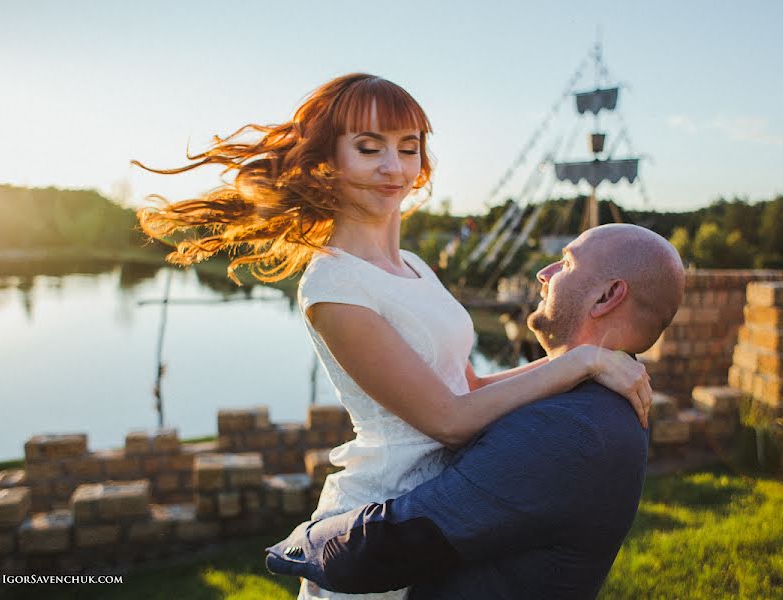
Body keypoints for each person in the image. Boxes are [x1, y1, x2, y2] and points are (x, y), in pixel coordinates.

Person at [133, 74, 652, 600]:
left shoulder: (415, 267)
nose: (394, 167)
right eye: (368, 148)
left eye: (408, 149)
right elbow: (449, 421)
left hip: (447, 511)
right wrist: (580, 362)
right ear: (326, 160)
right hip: (380, 524)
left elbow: (468, 388)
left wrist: (586, 362)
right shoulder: (333, 285)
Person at [265, 224, 686, 599]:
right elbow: (474, 391)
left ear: (607, 295)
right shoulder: (596, 391)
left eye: (566, 263)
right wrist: (583, 358)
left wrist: (300, 544)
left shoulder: (570, 429)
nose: (545, 273)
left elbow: (390, 544)